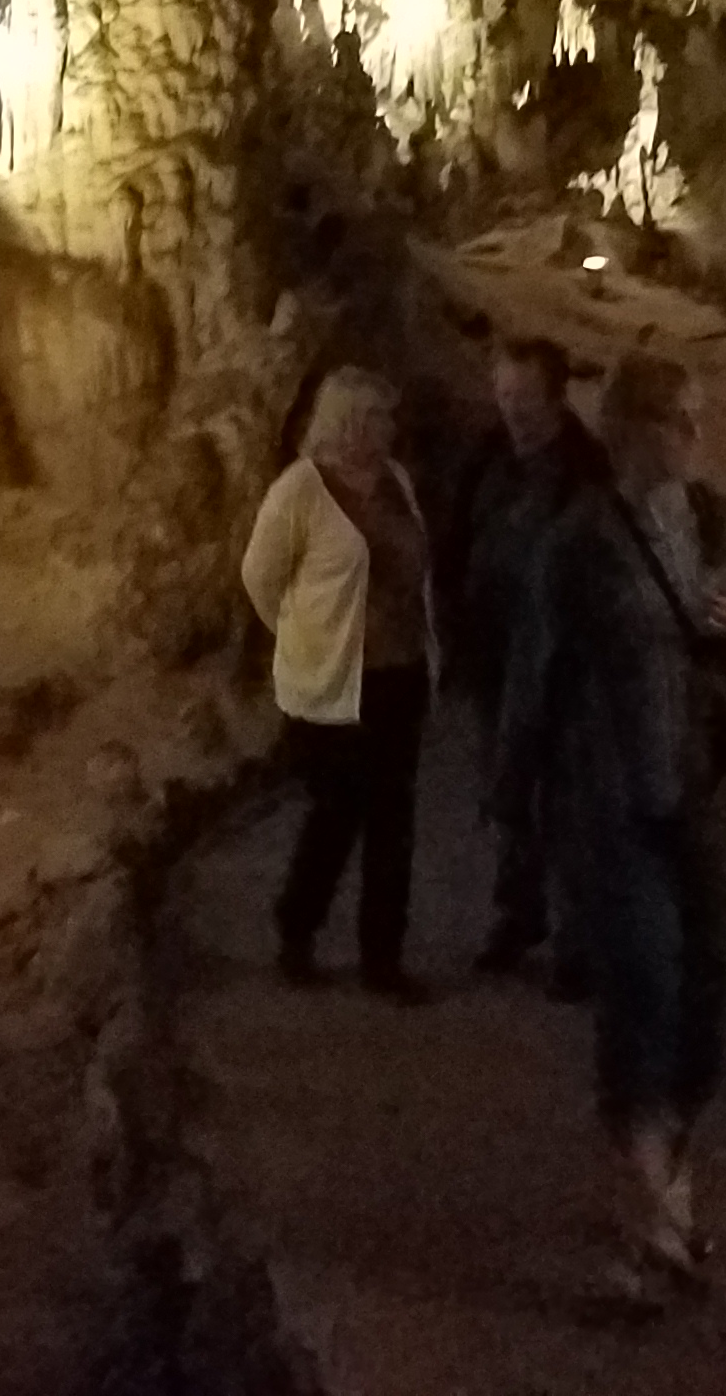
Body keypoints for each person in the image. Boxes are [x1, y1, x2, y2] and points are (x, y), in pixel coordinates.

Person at [503, 352, 726, 1310]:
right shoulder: (579, 543)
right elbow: (536, 674)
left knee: (705, 993)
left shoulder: (718, 523)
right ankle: (653, 1217)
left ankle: (668, 1180)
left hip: (697, 792)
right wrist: (517, 809)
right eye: (677, 421)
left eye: (698, 420)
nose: (695, 439)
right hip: (610, 799)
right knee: (645, 986)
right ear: (629, 431)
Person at [239, 367, 436, 1000]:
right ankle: (297, 930)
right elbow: (261, 579)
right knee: (336, 815)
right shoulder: (300, 491)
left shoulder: (396, 482)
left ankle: (383, 956)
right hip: (333, 684)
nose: (391, 427)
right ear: (348, 420)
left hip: (398, 675)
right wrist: (304, 637)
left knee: (392, 820)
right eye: (378, 416)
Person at [446, 331, 599, 979]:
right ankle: (519, 911)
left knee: (562, 796)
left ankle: (575, 935)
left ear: (557, 396)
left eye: (526, 396)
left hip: (556, 662)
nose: (514, 408)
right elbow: (457, 539)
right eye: (504, 392)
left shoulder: (585, 470)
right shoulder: (486, 455)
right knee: (505, 788)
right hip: (493, 652)